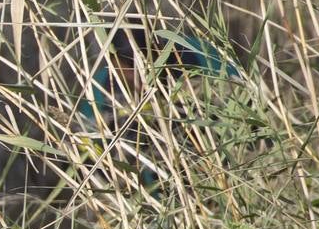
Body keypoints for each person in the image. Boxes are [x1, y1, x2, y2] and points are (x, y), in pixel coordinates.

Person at [76, 27, 240, 191]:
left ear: (159, 49)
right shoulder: (99, 91)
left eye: (148, 61)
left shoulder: (201, 59)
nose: (141, 74)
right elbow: (86, 149)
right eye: (131, 65)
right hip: (157, 187)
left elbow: (243, 103)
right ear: (113, 61)